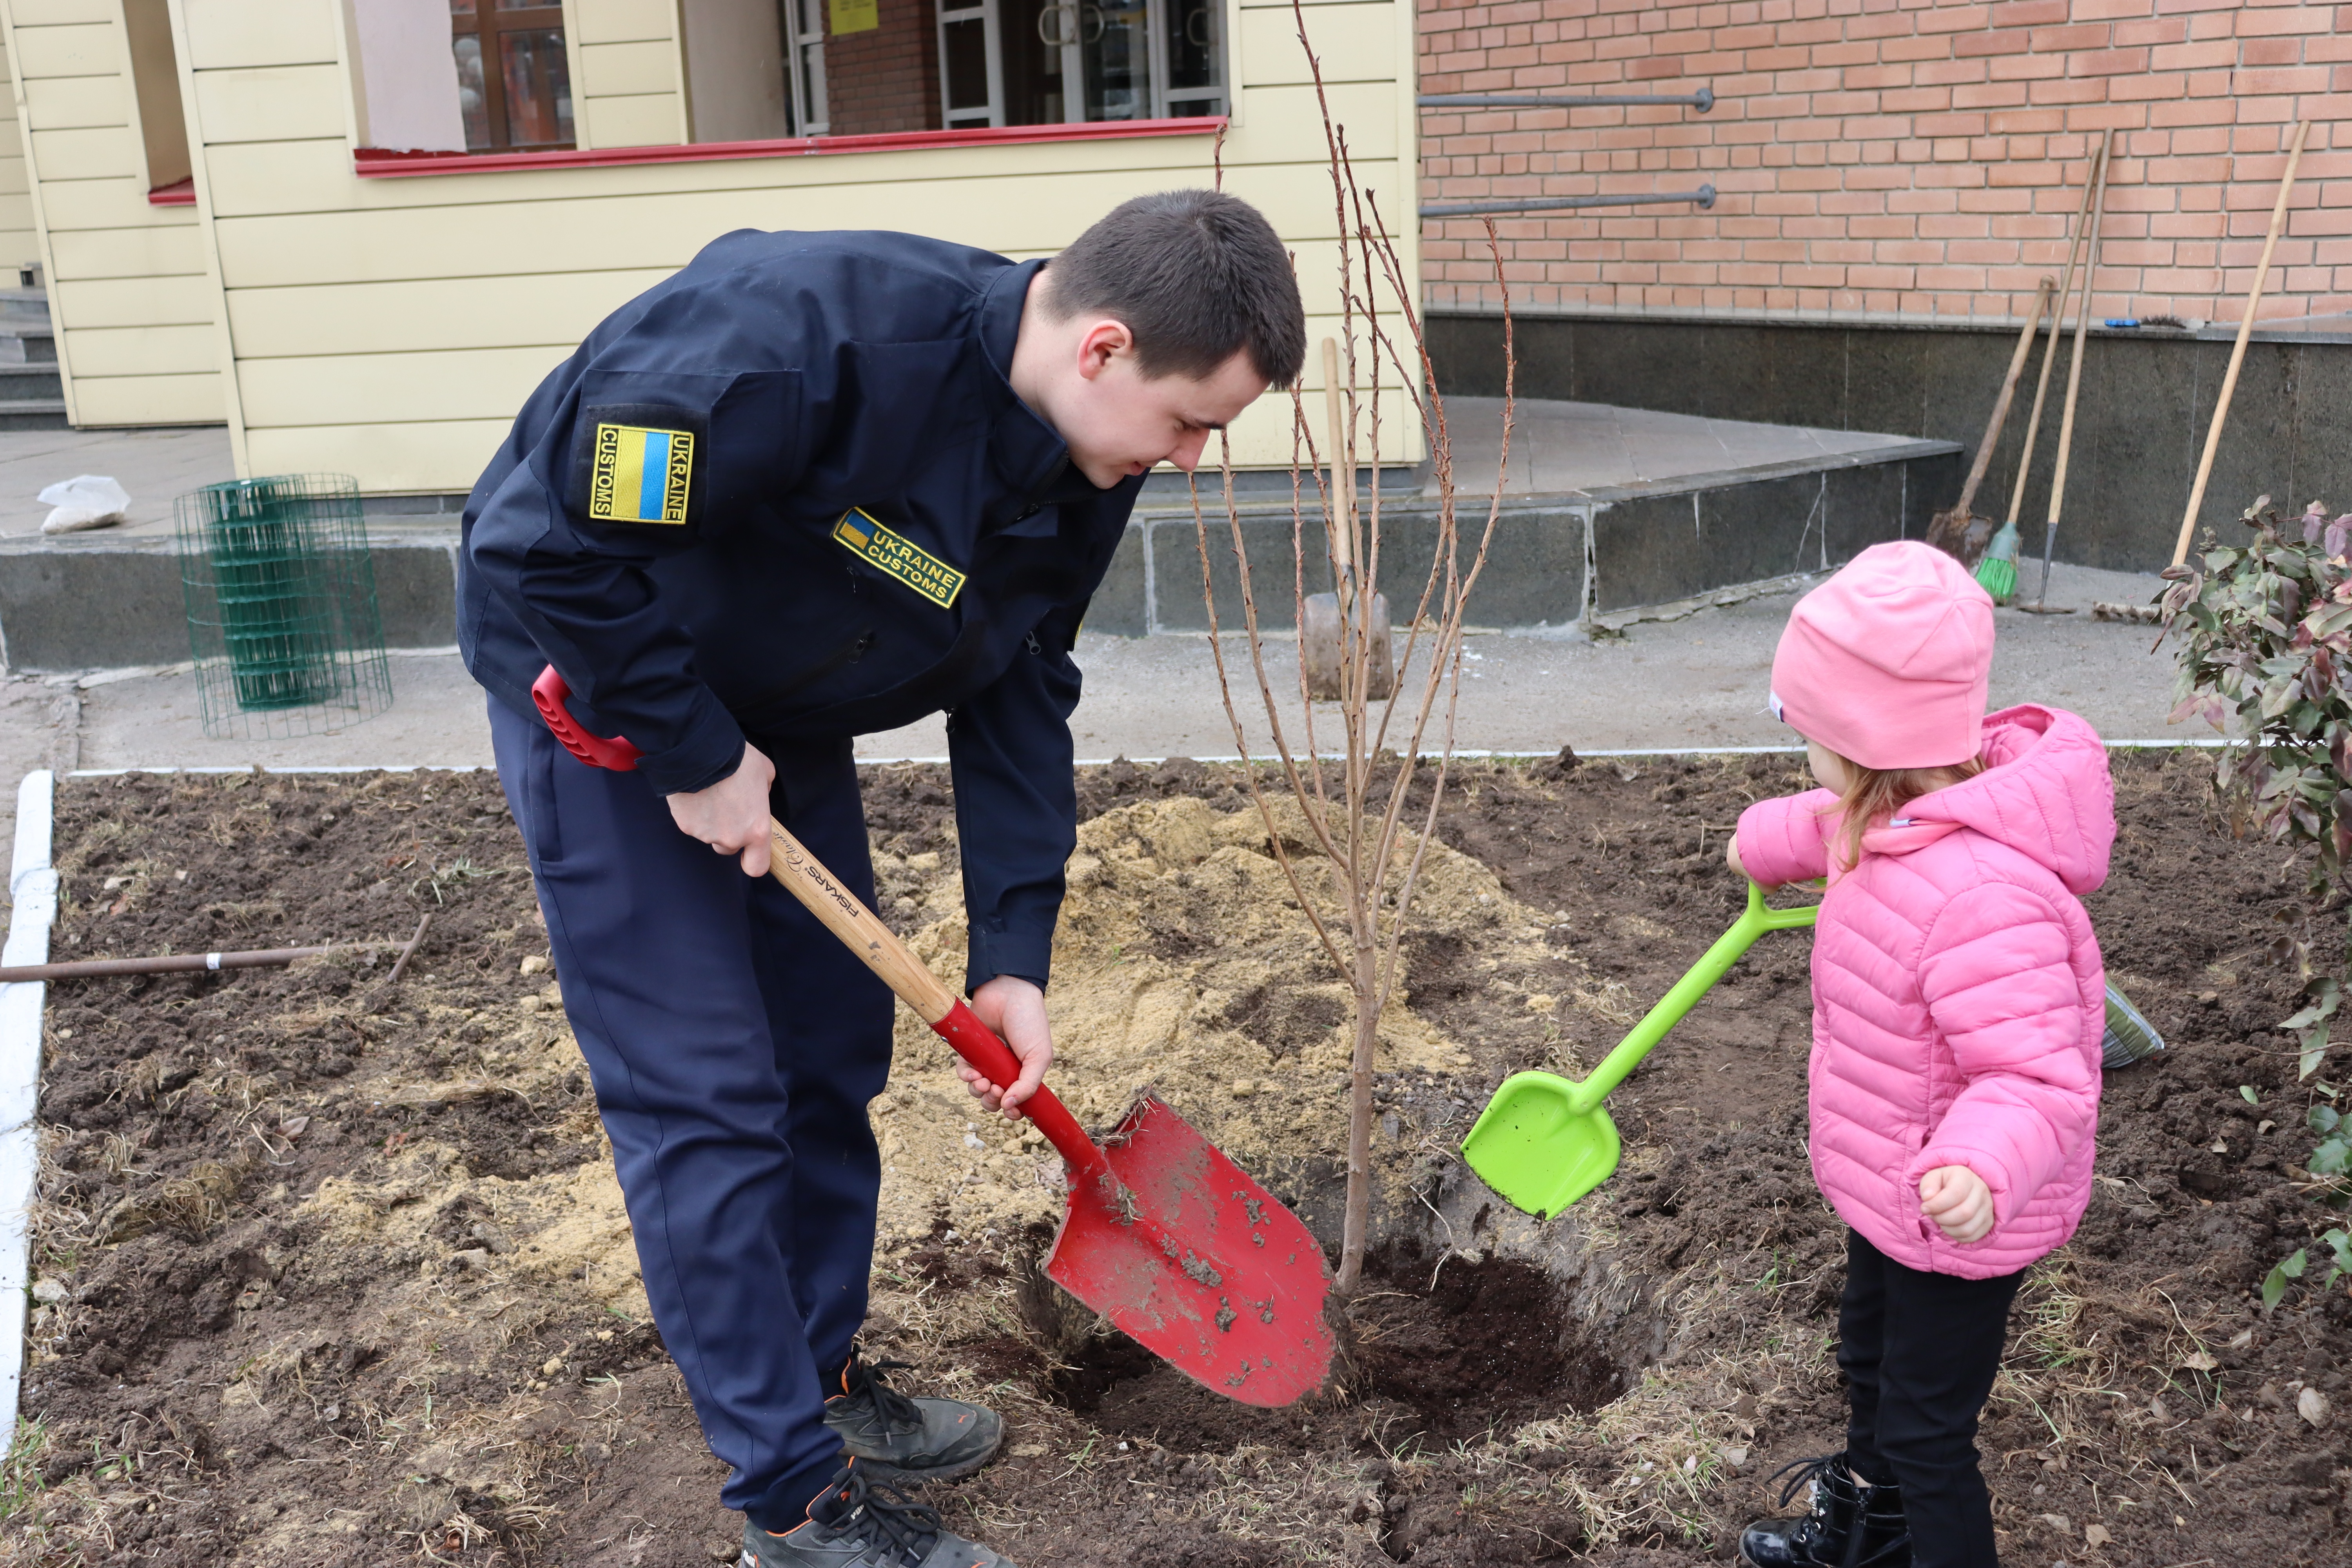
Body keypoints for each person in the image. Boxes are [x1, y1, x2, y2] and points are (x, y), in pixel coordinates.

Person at [456, 191, 1305, 1568]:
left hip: (777, 688)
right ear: (1100, 348)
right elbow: (553, 550)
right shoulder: (789, 347)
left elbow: (1025, 682)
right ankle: (789, 1503)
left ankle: (819, 1380)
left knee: (830, 1045)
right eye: (1194, 423)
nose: (1196, 459)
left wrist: (1011, 954)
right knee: (708, 1095)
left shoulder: (1090, 462)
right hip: (603, 684)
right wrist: (687, 749)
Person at [1724, 541, 2113, 1568]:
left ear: (1865, 742)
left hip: (1963, 1205)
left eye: (1805, 732)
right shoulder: (1894, 810)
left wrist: (1981, 1169)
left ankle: (1922, 1539)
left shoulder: (1986, 898)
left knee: (1929, 1436)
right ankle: (1870, 1540)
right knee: (1867, 1365)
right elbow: (1832, 829)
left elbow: (2039, 1075)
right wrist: (1761, 842)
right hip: (1896, 1187)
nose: (1801, 751)